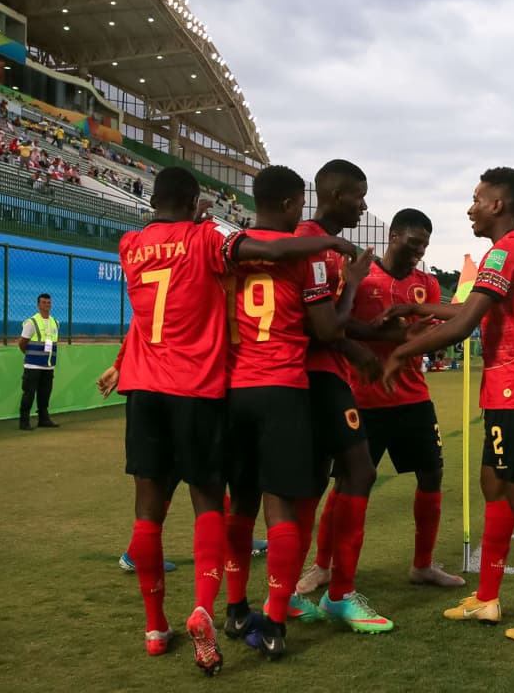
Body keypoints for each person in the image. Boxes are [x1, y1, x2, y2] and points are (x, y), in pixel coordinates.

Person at [94, 166, 352, 674]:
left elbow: (149, 310)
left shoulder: (130, 244)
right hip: (236, 386)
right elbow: (283, 262)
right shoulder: (214, 240)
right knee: (255, 505)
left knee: (167, 510)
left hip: (186, 388)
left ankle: (185, 620)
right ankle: (265, 622)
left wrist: (122, 360)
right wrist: (336, 250)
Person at [383, 167, 514, 644]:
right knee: (493, 485)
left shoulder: (506, 250)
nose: (469, 207)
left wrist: (402, 350)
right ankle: (487, 598)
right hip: (508, 388)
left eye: (475, 199)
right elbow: (474, 310)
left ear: (497, 205)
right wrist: (419, 309)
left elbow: (465, 324)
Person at [220, 164, 365, 659]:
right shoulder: (313, 258)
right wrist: (350, 281)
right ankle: (276, 621)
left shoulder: (227, 250)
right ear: (290, 204)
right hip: (284, 386)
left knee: (238, 503)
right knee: (280, 506)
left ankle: (235, 608)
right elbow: (326, 331)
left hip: (234, 388)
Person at [298, 207, 464, 598]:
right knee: (346, 483)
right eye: (412, 243)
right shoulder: (361, 276)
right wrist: (387, 339)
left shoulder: (427, 285)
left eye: (424, 245)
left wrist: (409, 336)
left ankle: (422, 565)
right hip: (362, 398)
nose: (418, 252)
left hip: (413, 397)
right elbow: (336, 327)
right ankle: (323, 566)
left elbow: (426, 337)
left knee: (432, 475)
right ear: (393, 236)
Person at [289, 159, 393, 633]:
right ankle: (338, 593)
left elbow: (335, 316)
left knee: (317, 483)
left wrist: (367, 321)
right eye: (358, 196)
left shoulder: (329, 251)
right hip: (314, 376)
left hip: (325, 374)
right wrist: (354, 343)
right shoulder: (312, 244)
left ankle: (301, 591)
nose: (364, 205)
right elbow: (322, 328)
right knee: (357, 470)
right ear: (333, 195)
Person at [18, 293, 59, 430]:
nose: (46, 305)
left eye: (48, 302)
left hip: (48, 365)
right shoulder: (32, 322)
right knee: (29, 393)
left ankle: (44, 419)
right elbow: (22, 343)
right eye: (43, 302)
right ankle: (24, 421)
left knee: (45, 393)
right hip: (33, 365)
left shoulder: (55, 322)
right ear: (38, 305)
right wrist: (30, 355)